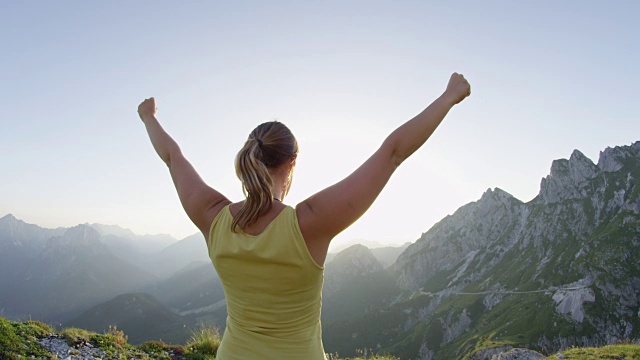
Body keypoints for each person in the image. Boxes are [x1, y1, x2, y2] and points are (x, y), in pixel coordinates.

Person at [137, 72, 471, 359]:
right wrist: (450, 96)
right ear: (292, 164)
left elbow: (172, 156)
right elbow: (393, 153)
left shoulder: (213, 217)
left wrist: (149, 117)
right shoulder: (308, 224)